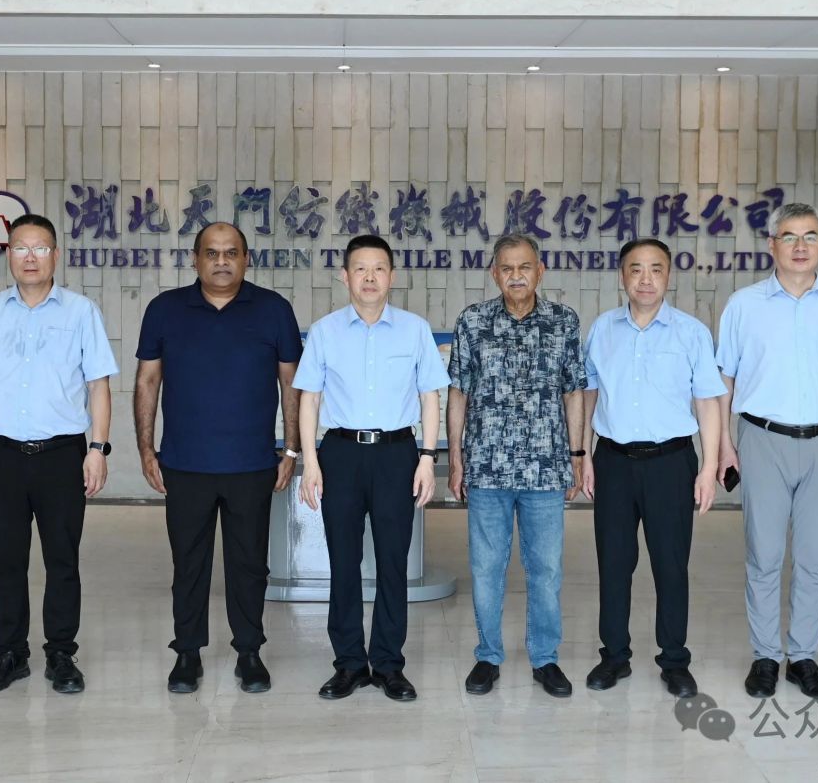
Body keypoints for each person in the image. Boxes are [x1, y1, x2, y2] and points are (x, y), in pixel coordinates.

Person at [0, 213, 118, 695]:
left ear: (55, 256)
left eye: (40, 248)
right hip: (1, 454)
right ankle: (11, 653)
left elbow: (98, 386)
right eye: (20, 248)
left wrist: (97, 448)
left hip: (62, 454)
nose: (30, 257)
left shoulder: (81, 312)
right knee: (6, 560)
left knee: (62, 558)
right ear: (8, 254)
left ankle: (61, 653)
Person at [134, 221, 303, 695]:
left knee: (249, 564)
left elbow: (291, 382)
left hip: (252, 463)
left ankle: (249, 652)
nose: (222, 261)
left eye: (231, 253)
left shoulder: (273, 310)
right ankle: (187, 653)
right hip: (184, 463)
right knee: (189, 564)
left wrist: (291, 448)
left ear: (247, 259)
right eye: (212, 253)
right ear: (195, 259)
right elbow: (147, 381)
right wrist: (146, 449)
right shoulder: (165, 310)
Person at [716, 202, 818, 700]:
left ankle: (803, 656)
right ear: (772, 245)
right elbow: (724, 379)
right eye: (789, 236)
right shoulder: (744, 305)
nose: (800, 246)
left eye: (809, 237)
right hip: (762, 439)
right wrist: (723, 444)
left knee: (814, 557)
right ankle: (765, 655)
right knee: (764, 554)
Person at [295, 234, 449, 702]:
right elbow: (309, 400)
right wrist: (310, 462)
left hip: (397, 455)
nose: (369, 277)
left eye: (379, 268)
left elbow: (429, 397)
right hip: (340, 454)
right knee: (343, 561)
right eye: (360, 268)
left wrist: (427, 458)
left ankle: (387, 664)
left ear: (391, 277)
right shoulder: (325, 332)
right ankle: (348, 664)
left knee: (392, 562)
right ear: (345, 276)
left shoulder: (415, 330)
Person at [580, 237, 726, 699]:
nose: (646, 279)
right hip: (613, 461)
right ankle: (614, 656)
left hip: (671, 463)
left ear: (669, 275)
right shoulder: (603, 329)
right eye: (636, 269)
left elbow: (708, 402)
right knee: (614, 564)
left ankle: (675, 660)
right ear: (622, 275)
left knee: (671, 565)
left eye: (656, 269)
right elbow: (588, 394)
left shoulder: (691, 333)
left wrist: (708, 468)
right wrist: (582, 454)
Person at [447, 233, 586, 699]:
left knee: (545, 569)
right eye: (507, 268)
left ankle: (545, 658)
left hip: (545, 469)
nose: (516, 276)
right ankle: (488, 656)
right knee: (487, 568)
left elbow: (573, 391)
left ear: (540, 271)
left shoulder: (563, 322)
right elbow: (458, 393)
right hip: (486, 467)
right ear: (494, 274)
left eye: (525, 267)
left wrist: (577, 455)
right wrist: (456, 459)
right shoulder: (473, 322)